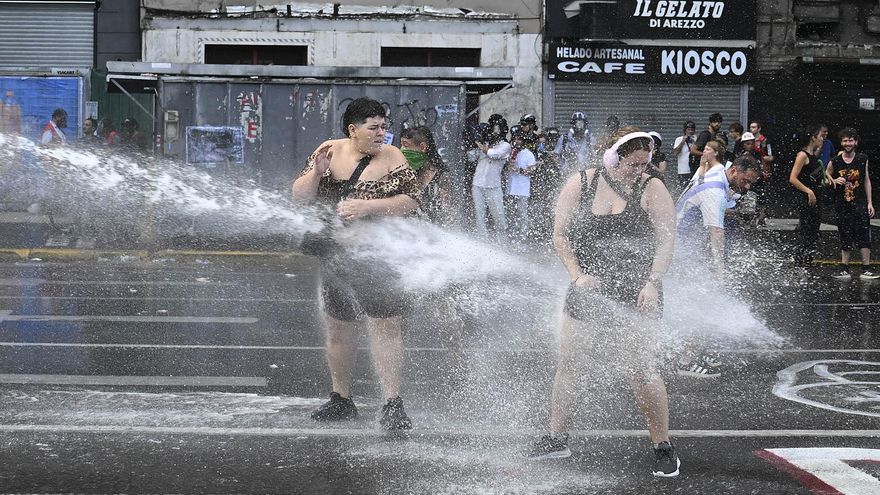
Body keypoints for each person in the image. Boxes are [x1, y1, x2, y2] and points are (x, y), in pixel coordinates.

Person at [528, 127, 681, 478]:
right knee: (570, 364)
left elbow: (666, 241)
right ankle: (556, 438)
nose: (638, 170)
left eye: (644, 164)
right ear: (614, 155)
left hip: (637, 293)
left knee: (642, 370)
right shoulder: (580, 183)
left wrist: (653, 284)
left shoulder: (652, 187)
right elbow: (560, 234)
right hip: (587, 290)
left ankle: (662, 445)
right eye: (632, 163)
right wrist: (576, 275)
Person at [292, 97, 421, 430]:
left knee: (386, 325)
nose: (382, 133)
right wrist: (316, 175)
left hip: (378, 255)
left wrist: (369, 208)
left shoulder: (393, 156)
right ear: (353, 129)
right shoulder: (329, 151)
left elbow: (410, 201)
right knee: (339, 325)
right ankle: (341, 398)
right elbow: (300, 197)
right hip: (336, 253)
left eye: (384, 126)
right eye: (374, 127)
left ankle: (393, 404)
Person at [674, 153, 762, 376]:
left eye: (752, 183)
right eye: (745, 181)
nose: (747, 187)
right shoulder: (715, 192)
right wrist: (720, 272)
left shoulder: (719, 173)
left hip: (686, 246)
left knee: (703, 301)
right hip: (683, 252)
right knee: (700, 303)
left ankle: (698, 351)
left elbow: (709, 164)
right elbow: (716, 234)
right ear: (734, 171)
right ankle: (685, 362)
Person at [826, 128, 878, 280]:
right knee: (845, 233)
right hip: (842, 203)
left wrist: (870, 202)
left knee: (864, 233)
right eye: (845, 140)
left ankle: (866, 268)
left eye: (850, 140)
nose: (847, 143)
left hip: (860, 202)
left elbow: (867, 181)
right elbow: (825, 174)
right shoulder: (835, 160)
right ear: (841, 142)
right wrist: (834, 180)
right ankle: (844, 268)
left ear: (856, 142)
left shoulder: (862, 158)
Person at [789, 124, 829, 267]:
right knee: (806, 231)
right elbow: (793, 178)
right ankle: (800, 262)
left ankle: (807, 261)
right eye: (820, 136)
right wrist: (808, 191)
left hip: (816, 198)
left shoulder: (813, 156)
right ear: (813, 137)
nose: (822, 139)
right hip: (807, 198)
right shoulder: (802, 155)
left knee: (814, 231)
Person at [400, 125, 451, 225]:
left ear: (423, 147)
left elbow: (447, 212)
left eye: (406, 145)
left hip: (431, 232)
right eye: (401, 145)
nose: (401, 149)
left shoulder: (442, 175)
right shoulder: (402, 171)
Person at [472, 114, 511, 239]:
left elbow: (494, 154)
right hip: (477, 184)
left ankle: (502, 241)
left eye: (497, 129)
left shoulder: (505, 146)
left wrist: (482, 147)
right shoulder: (486, 143)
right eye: (493, 128)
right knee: (479, 215)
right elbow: (471, 157)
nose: (494, 132)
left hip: (493, 186)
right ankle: (481, 239)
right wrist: (473, 143)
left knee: (499, 216)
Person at [506, 126, 537, 242]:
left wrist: (519, 170)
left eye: (519, 139)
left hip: (523, 190)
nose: (517, 141)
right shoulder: (511, 152)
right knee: (511, 215)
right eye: (515, 139)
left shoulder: (528, 154)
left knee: (522, 215)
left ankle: (523, 238)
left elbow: (533, 170)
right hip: (511, 189)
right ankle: (512, 237)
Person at [554, 111, 594, 177]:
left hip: (585, 175)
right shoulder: (564, 139)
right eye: (577, 123)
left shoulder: (589, 139)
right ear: (573, 124)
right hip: (567, 175)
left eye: (581, 123)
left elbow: (594, 156)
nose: (579, 126)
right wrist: (561, 167)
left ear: (585, 124)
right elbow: (555, 156)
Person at [672, 121, 697, 190]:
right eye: (688, 129)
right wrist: (683, 142)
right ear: (685, 130)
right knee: (684, 191)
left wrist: (695, 141)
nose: (690, 131)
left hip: (694, 170)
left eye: (692, 129)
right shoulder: (679, 139)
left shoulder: (696, 139)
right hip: (683, 171)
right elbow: (675, 153)